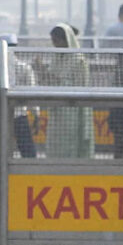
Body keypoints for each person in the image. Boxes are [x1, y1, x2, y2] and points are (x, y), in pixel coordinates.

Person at [39, 23, 93, 159]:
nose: (55, 45)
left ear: (66, 40)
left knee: (71, 143)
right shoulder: (56, 58)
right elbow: (50, 81)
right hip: (57, 110)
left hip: (72, 110)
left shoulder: (78, 60)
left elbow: (79, 86)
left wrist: (53, 79)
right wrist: (42, 72)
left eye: (57, 41)